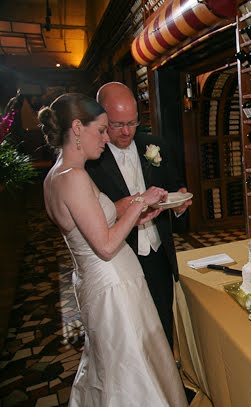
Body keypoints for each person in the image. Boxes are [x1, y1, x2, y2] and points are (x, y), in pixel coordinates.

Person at [39, 93, 187, 406]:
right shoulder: (75, 177)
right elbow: (106, 245)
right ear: (78, 127)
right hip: (113, 286)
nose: (107, 138)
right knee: (128, 370)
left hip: (102, 280)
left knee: (114, 363)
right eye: (102, 129)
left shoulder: (55, 176)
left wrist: (137, 211)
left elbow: (96, 224)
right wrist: (140, 203)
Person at [86, 82, 192, 349]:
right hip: (119, 258)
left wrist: (178, 202)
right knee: (129, 333)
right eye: (117, 124)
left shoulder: (154, 145)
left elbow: (174, 185)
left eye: (132, 123)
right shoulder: (90, 159)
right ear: (101, 117)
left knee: (163, 323)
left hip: (157, 253)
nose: (126, 132)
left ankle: (169, 384)